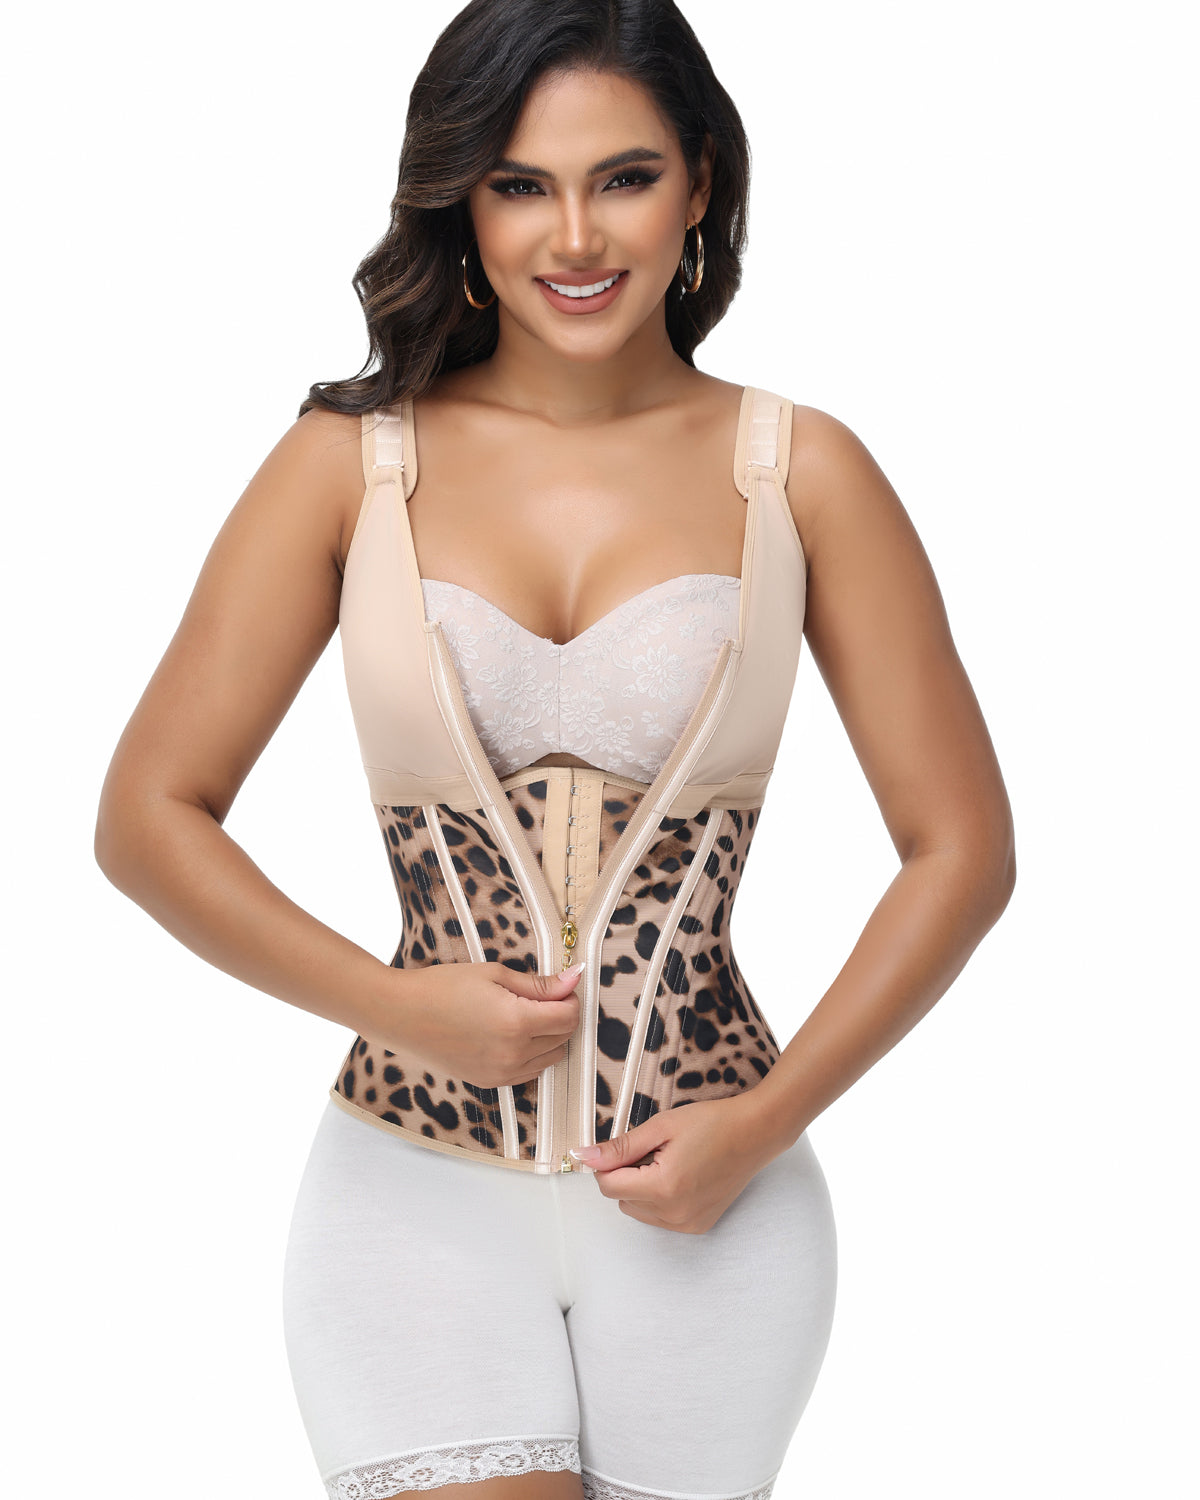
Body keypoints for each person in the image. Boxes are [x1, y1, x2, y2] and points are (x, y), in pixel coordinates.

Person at [93, 1, 1016, 1496]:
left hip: (712, 1200)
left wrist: (763, 1125)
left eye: (624, 178)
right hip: (412, 1190)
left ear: (700, 182)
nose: (575, 237)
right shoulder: (350, 465)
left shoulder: (803, 473)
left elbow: (961, 851)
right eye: (521, 184)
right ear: (460, 198)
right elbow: (149, 814)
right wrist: (399, 1004)